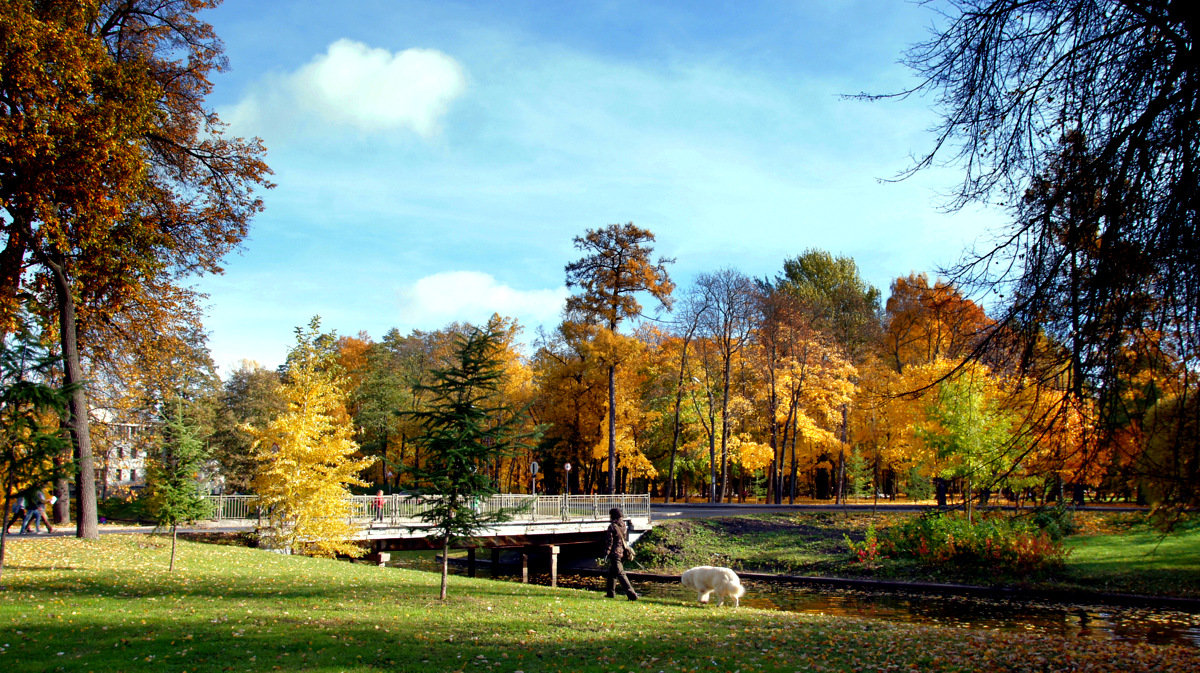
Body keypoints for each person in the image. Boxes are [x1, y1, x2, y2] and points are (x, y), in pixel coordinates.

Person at [603, 507, 638, 601]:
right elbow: (624, 539)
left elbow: (609, 541)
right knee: (612, 573)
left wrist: (606, 553)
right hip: (622, 552)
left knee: (621, 574)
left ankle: (631, 594)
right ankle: (610, 593)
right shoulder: (623, 525)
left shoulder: (612, 526)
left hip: (615, 553)